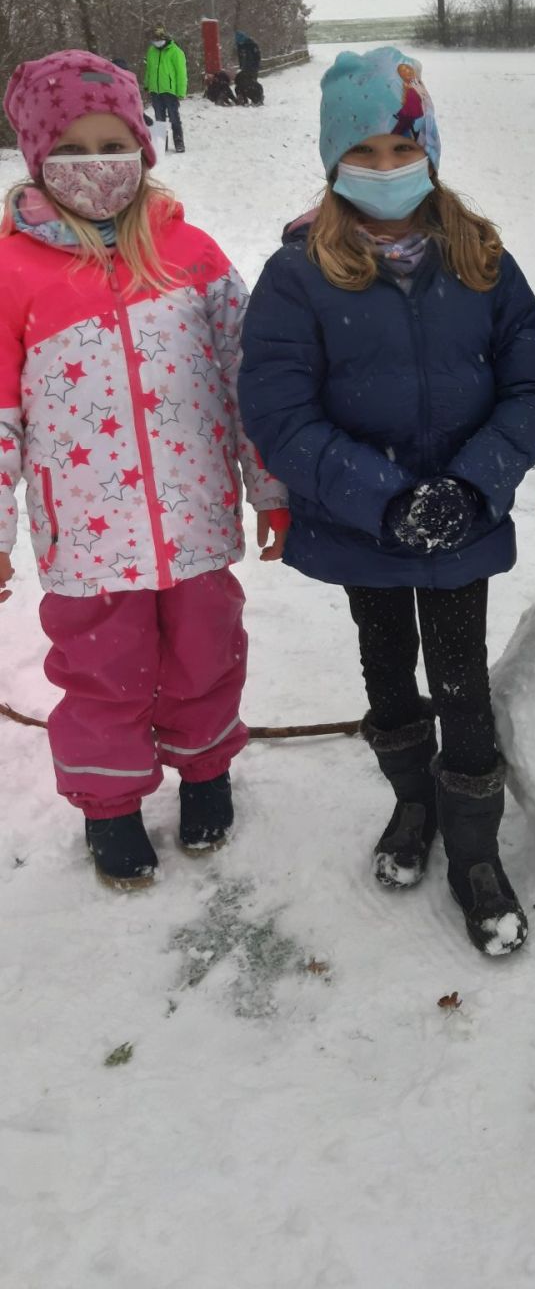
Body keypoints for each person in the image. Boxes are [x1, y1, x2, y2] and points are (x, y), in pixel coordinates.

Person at [237, 48, 535, 957]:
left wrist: (471, 483)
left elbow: (531, 384)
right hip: (360, 527)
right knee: (388, 671)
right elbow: (277, 408)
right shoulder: (298, 272)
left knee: (461, 682)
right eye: (364, 152)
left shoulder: (483, 259)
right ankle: (412, 805)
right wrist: (381, 500)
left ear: (431, 150)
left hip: (462, 523)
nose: (384, 169)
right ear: (334, 160)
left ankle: (475, 853)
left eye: (400, 148)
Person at [0, 50, 288, 888]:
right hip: (88, 541)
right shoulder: (13, 272)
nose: (97, 165)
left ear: (143, 146)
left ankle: (205, 770)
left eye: (112, 142)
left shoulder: (191, 253)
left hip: (195, 520)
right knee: (101, 676)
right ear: (37, 157)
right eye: (74, 148)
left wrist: (268, 488)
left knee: (207, 652)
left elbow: (248, 382)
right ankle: (111, 802)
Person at [143, 24, 188, 152]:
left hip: (170, 91)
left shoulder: (176, 52)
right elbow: (149, 70)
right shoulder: (151, 51)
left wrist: (181, 91)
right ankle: (162, 144)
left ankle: (179, 143)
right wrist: (147, 84)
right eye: (154, 40)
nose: (156, 42)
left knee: (174, 118)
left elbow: (181, 73)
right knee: (159, 119)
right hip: (155, 90)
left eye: (158, 39)